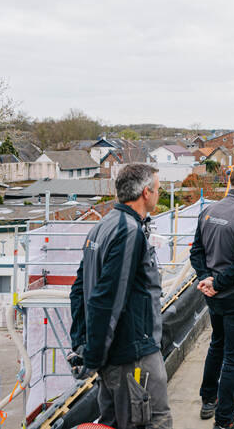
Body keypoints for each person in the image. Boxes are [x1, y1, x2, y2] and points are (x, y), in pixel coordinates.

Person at [69, 163, 172, 429]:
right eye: (158, 189)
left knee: (113, 423)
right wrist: (92, 355)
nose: (159, 194)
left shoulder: (102, 226)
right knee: (154, 421)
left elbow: (79, 289)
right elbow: (108, 299)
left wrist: (82, 343)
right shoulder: (128, 231)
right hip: (133, 356)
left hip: (114, 360)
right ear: (146, 193)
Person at [190, 165, 234, 429]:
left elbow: (196, 251)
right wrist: (217, 283)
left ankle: (209, 399)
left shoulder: (208, 210)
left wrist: (206, 279)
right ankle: (225, 421)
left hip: (214, 297)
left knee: (216, 345)